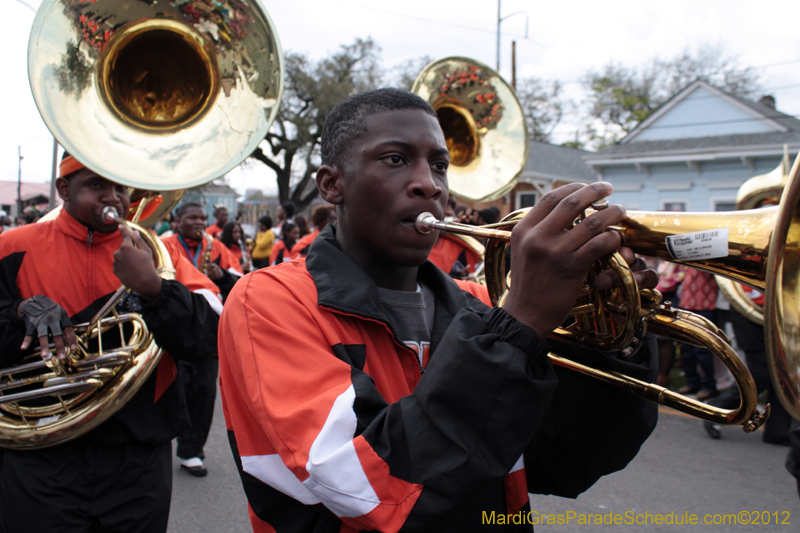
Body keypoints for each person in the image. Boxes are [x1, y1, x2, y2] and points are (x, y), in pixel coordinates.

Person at [218, 88, 659, 532]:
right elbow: (374, 493)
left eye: (439, 166)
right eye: (395, 159)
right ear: (333, 185)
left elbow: (567, 462)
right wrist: (519, 323)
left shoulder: (483, 305)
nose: (429, 184)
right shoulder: (268, 301)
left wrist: (613, 337)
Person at [0, 154, 221, 532]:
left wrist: (155, 288)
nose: (113, 198)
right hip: (40, 456)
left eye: (120, 188)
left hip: (137, 456)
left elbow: (210, 337)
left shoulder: (159, 253)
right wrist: (21, 311)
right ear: (64, 189)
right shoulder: (13, 245)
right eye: (96, 185)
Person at [161, 202, 243, 301]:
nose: (200, 222)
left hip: (207, 305)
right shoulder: (165, 245)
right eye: (193, 218)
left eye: (203, 219)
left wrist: (222, 274)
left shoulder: (215, 245)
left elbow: (240, 281)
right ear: (178, 222)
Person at [677, 267, 719, 400]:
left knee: (702, 351)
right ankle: (692, 382)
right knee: (686, 349)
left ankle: (709, 386)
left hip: (705, 306)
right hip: (686, 304)